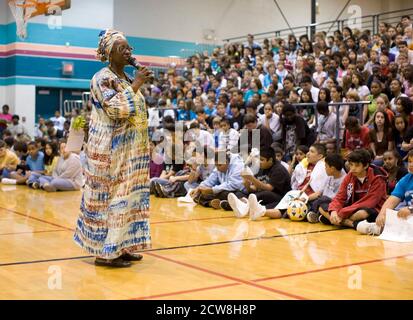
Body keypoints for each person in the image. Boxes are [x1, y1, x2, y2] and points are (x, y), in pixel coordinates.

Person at [74, 29, 153, 268]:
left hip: (131, 152)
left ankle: (121, 247)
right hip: (109, 151)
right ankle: (104, 253)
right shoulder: (102, 78)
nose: (128, 51)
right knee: (111, 200)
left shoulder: (127, 80)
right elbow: (116, 110)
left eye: (129, 47)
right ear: (109, 53)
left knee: (127, 199)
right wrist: (138, 82)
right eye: (122, 48)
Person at [325, 149, 388, 230]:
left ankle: (333, 220)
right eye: (351, 165)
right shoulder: (350, 175)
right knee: (323, 201)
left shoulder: (377, 178)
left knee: (362, 213)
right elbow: (340, 196)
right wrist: (333, 211)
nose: (353, 169)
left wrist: (342, 213)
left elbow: (370, 202)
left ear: (365, 165)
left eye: (357, 165)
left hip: (373, 209)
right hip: (351, 208)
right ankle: (352, 224)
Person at [358, 150, 413, 235]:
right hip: (409, 218)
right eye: (409, 161)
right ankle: (382, 228)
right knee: (363, 226)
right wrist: (382, 214)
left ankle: (383, 229)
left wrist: (411, 209)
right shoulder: (406, 179)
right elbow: (392, 200)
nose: (411, 165)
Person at [227, 148, 291, 219]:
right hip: (263, 196)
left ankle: (242, 206)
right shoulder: (261, 168)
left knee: (263, 194)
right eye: (259, 159)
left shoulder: (279, 170)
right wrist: (247, 184)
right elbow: (254, 189)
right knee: (240, 193)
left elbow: (269, 188)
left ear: (270, 160)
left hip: (280, 197)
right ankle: (243, 206)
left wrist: (252, 178)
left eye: (262, 160)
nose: (259, 162)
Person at [306, 154, 346, 223]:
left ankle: (314, 214)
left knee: (323, 200)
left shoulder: (344, 180)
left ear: (332, 168)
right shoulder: (330, 175)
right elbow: (319, 192)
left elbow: (338, 200)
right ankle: (318, 215)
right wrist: (306, 199)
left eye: (326, 167)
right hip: (322, 201)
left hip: (332, 204)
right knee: (310, 201)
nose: (325, 169)